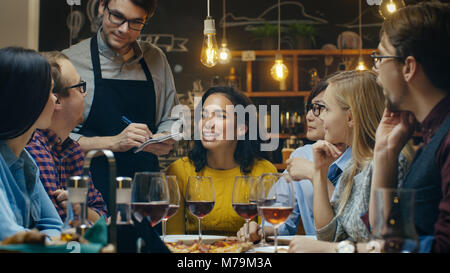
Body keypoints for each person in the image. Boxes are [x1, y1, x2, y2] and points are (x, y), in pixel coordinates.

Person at [62, 0, 179, 206]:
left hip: (145, 195)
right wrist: (114, 143)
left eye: (136, 22)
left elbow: (172, 118)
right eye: (117, 17)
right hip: (88, 193)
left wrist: (165, 136)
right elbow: (56, 140)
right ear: (101, 6)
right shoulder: (70, 62)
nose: (124, 29)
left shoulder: (155, 59)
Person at [288, 70, 413, 252]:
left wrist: (325, 249)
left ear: (350, 117)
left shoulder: (392, 163)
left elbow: (387, 245)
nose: (320, 118)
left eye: (326, 109)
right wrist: (319, 173)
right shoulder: (355, 167)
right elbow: (329, 235)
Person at [369, 1, 450, 253]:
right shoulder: (430, 134)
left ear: (408, 67)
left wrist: (345, 250)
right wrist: (384, 150)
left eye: (381, 57)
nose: (375, 68)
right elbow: (386, 230)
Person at [237, 77, 352, 242]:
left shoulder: (365, 161)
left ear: (350, 116)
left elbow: (349, 230)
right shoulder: (302, 156)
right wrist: (261, 230)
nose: (309, 117)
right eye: (310, 108)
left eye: (321, 108)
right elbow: (280, 218)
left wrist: (315, 174)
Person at [166, 86, 277, 236]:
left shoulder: (263, 171)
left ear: (241, 129)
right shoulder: (179, 171)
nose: (208, 123)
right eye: (204, 115)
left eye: (221, 116)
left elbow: (268, 235)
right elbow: (172, 240)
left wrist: (258, 232)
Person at [25, 51, 107, 225]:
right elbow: (57, 224)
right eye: (79, 87)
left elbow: (102, 214)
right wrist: (85, 213)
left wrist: (80, 209)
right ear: (57, 100)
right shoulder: (33, 148)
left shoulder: (73, 150)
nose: (84, 94)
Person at [0, 47, 63, 241]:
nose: (56, 99)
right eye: (51, 91)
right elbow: (8, 236)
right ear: (29, 97)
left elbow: (53, 225)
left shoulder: (26, 161)